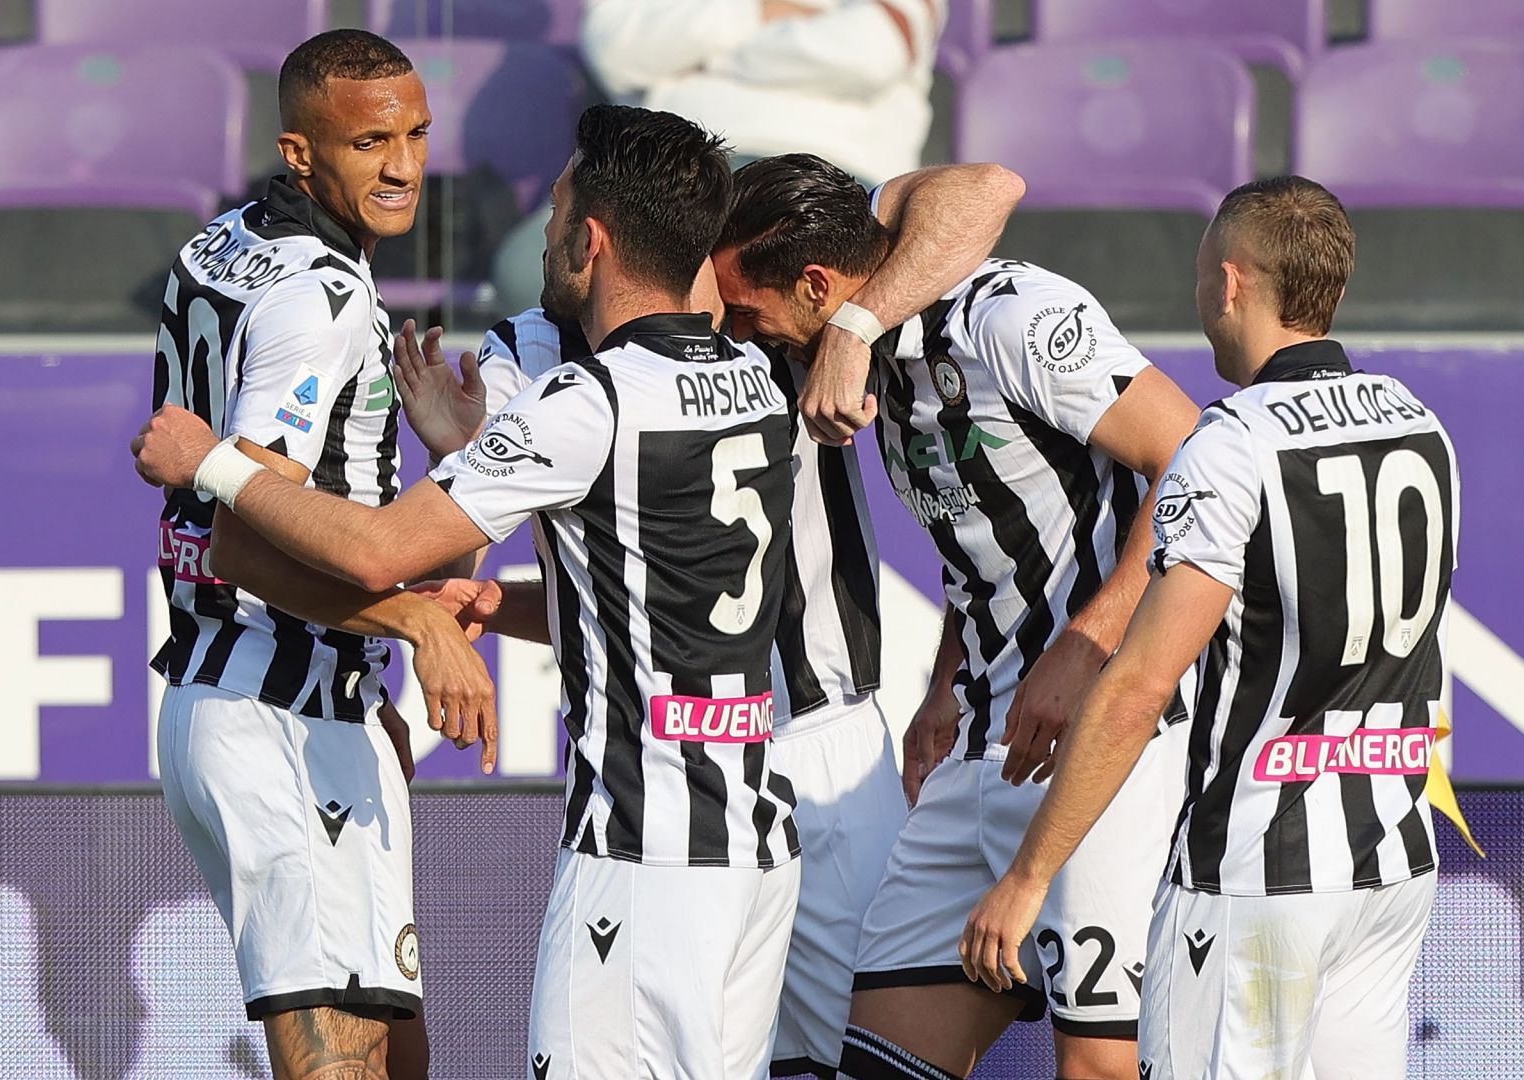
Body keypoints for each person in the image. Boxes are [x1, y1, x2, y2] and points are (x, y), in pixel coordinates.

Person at [135, 103, 802, 1079]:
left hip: (642, 853)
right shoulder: (753, 379)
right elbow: (654, 597)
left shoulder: (592, 403)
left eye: (560, 204)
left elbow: (372, 552)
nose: (547, 225)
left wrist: (218, 466)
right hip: (755, 846)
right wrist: (479, 554)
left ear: (593, 238)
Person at [393, 157, 1025, 1079]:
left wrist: (853, 326)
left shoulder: (775, 300)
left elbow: (985, 189)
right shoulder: (529, 349)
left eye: (566, 209)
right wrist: (462, 492)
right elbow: (472, 566)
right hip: (671, 768)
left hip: (822, 743)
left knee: (872, 1060)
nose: (551, 229)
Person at [959, 176, 1461, 1080]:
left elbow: (1141, 684)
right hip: (1390, 859)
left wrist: (1030, 876)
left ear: (1229, 284)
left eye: (1200, 277)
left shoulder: (1231, 442)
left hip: (1258, 876)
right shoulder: (1422, 425)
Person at [712, 153, 1200, 1080]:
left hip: (1106, 746)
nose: (750, 336)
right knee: (879, 1065)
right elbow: (978, 538)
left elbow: (1196, 463)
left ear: (819, 286)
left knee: (1100, 1065)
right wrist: (942, 689)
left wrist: (1087, 643)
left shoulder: (1009, 317)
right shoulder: (873, 363)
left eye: (750, 313)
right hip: (980, 743)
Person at [146, 29, 495, 1080]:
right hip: (276, 726)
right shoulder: (326, 299)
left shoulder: (218, 242)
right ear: (302, 154)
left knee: (396, 1058)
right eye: (370, 142)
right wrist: (413, 620)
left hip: (298, 708)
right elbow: (242, 534)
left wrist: (448, 461)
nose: (402, 166)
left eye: (418, 135)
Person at [494, 0, 944, 313]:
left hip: (827, 171)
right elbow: (615, 52)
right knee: (528, 269)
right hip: (669, 166)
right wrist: (760, 13)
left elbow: (871, 53)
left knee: (788, 296)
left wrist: (696, 60)